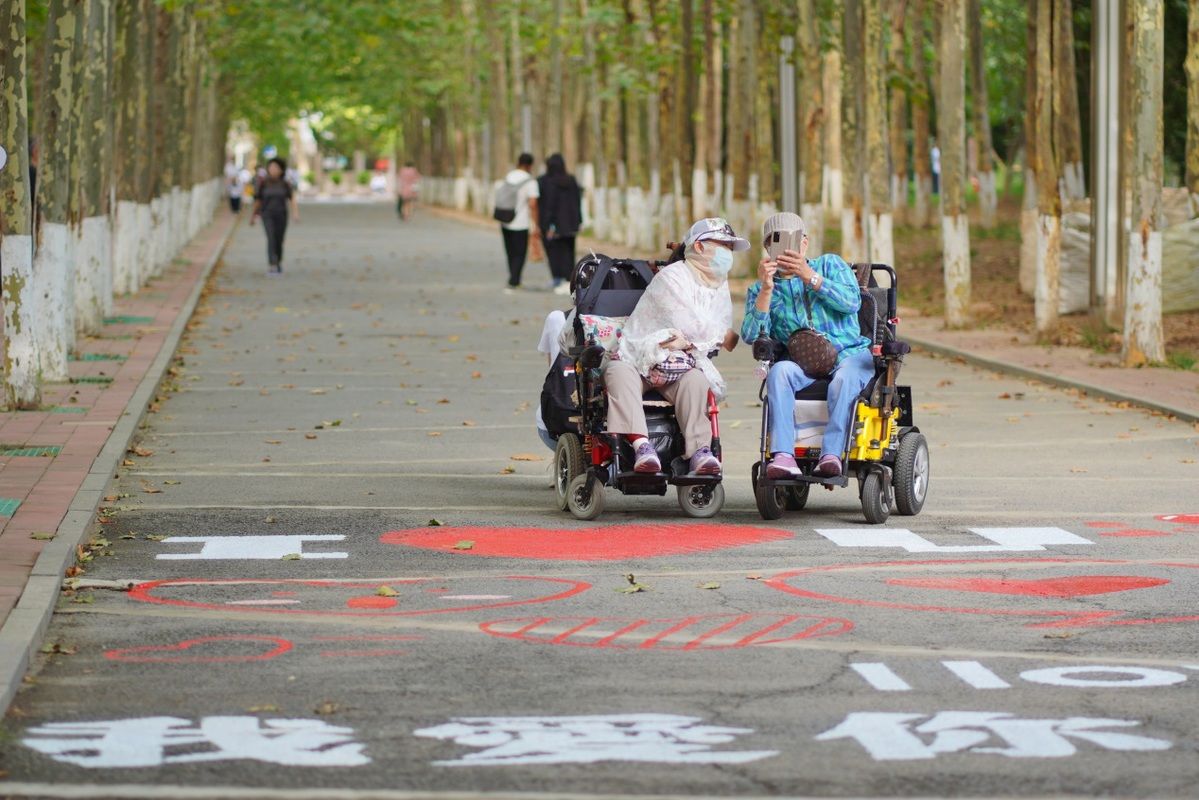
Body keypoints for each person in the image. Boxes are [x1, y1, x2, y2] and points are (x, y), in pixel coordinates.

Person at [603, 218, 744, 477]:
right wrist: (723, 336)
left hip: (680, 362)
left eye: (730, 248)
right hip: (640, 358)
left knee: (696, 382)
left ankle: (700, 452)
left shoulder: (718, 283)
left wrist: (719, 336)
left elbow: (719, 327)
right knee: (618, 373)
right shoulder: (672, 276)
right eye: (723, 245)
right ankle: (641, 446)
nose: (728, 254)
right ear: (699, 246)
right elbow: (690, 323)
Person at [741, 212, 872, 480]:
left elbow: (852, 303)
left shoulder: (830, 265)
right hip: (802, 362)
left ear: (804, 244)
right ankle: (783, 455)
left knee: (843, 380)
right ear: (768, 248)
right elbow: (751, 335)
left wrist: (809, 276)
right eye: (775, 243)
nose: (787, 249)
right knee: (779, 373)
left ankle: (832, 454)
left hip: (849, 353)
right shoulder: (762, 289)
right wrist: (766, 291)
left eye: (794, 241)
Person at [537, 153, 582, 296]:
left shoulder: (546, 181)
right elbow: (577, 201)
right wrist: (579, 220)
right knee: (568, 251)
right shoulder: (571, 180)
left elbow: (548, 204)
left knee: (554, 251)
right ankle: (568, 279)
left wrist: (547, 224)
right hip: (570, 222)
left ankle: (558, 278)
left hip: (554, 224)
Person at [497, 153, 542, 293]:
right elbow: (533, 204)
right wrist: (535, 223)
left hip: (505, 220)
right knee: (520, 253)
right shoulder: (530, 181)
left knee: (510, 252)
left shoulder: (509, 176)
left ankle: (513, 278)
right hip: (521, 223)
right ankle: (514, 281)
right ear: (530, 165)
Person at [251, 157, 299, 274]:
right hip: (267, 214)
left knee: (279, 239)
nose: (273, 169)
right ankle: (272, 263)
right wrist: (253, 215)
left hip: (281, 214)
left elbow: (292, 199)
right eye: (271, 167)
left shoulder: (285, 184)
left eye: (276, 167)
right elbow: (258, 200)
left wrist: (295, 213)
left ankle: (278, 261)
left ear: (281, 170)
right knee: (271, 237)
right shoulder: (263, 183)